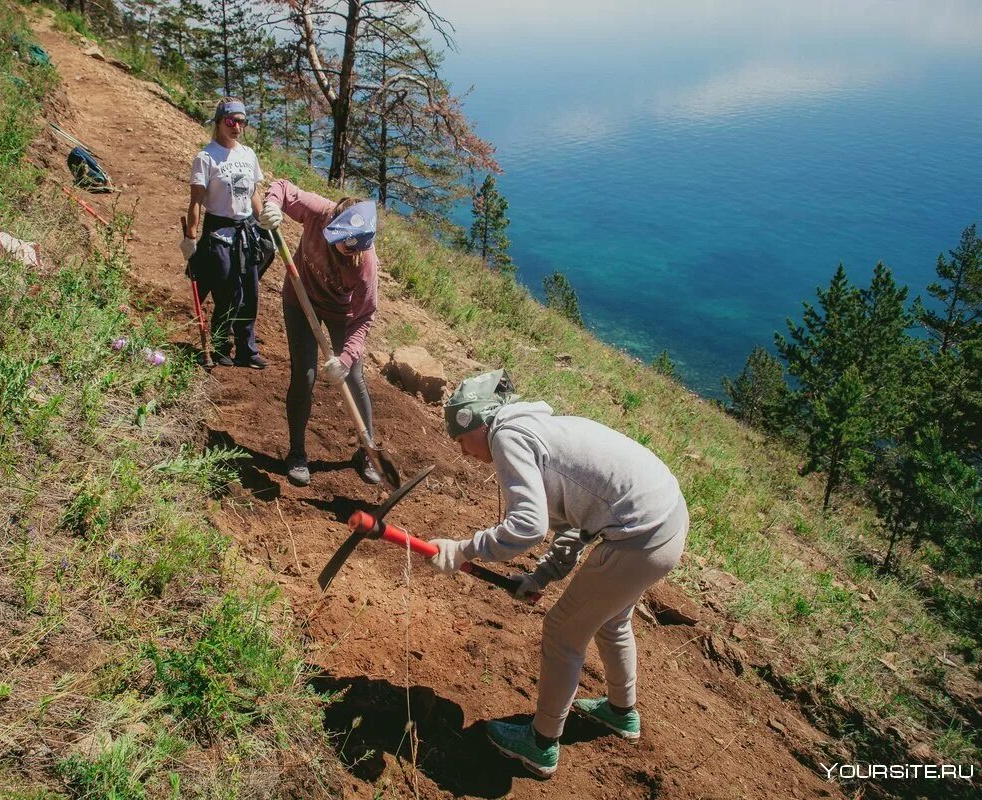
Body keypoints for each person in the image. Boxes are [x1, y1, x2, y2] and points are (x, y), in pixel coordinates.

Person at [427, 370, 689, 778]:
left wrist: (460, 548)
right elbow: (576, 524)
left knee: (563, 631)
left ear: (477, 424)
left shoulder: (506, 438)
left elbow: (527, 527)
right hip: (667, 519)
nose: (463, 452)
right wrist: (541, 576)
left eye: (460, 440)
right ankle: (622, 712)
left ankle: (541, 744)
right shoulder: (536, 430)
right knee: (611, 619)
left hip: (639, 536)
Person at [256, 179, 381, 487]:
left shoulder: (365, 263)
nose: (349, 251)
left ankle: (366, 451)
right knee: (305, 375)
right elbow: (283, 188)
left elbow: (364, 316)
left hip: (342, 314)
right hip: (300, 299)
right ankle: (297, 452)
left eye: (356, 247)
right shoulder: (318, 212)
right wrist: (272, 205)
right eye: (345, 242)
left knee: (353, 378)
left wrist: (347, 357)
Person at [181, 98, 273, 368]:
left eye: (242, 122)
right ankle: (222, 346)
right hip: (219, 230)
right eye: (231, 121)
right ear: (219, 122)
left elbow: (253, 193)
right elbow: (196, 201)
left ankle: (247, 349)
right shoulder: (206, 158)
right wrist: (190, 237)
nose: (237, 127)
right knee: (226, 291)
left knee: (249, 291)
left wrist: (264, 219)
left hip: (245, 230)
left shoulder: (248, 155)